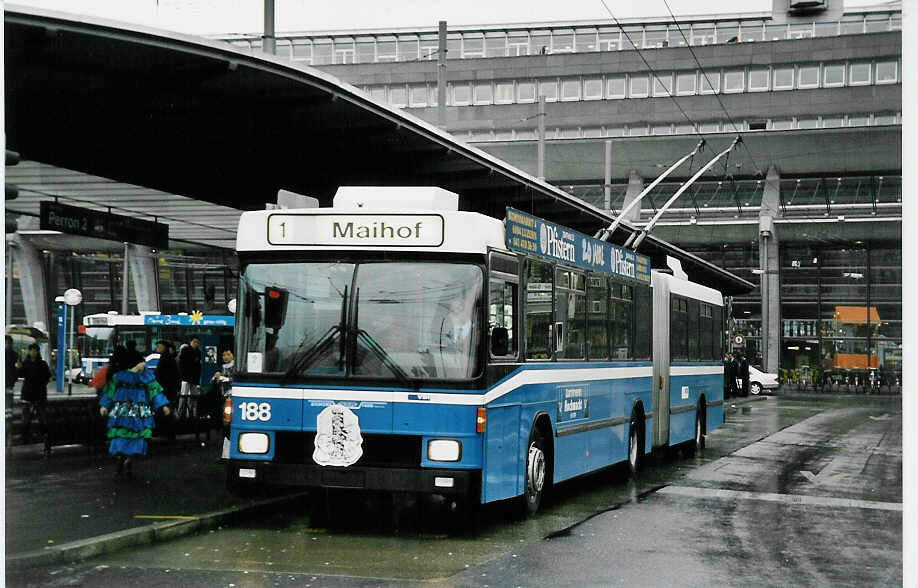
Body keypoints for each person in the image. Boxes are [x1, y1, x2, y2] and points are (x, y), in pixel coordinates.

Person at [98, 345, 171, 476]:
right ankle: (126, 458)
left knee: (124, 433)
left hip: (123, 411)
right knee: (134, 434)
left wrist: (105, 405)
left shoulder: (122, 377)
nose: (144, 364)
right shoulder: (136, 377)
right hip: (137, 411)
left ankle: (124, 457)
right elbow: (155, 392)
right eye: (142, 362)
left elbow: (110, 392)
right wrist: (163, 405)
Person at [17, 343, 51, 446]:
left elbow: (47, 377)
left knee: (42, 418)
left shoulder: (43, 364)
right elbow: (19, 375)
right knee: (26, 418)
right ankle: (25, 437)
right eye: (31, 350)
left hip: (39, 394)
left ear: (38, 352)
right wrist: (18, 368)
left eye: (35, 350)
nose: (33, 352)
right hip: (27, 394)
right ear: (28, 351)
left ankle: (45, 436)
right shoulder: (25, 363)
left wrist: (40, 384)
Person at [211, 349, 234, 460]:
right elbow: (213, 381)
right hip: (224, 398)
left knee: (228, 424)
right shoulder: (222, 367)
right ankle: (225, 453)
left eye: (228, 354)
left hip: (232, 398)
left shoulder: (235, 367)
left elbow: (234, 379)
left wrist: (223, 379)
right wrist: (216, 378)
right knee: (226, 425)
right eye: (223, 354)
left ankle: (227, 454)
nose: (225, 357)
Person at [177, 335, 202, 420]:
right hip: (186, 377)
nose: (196, 344)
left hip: (194, 378)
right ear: (190, 342)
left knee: (192, 397)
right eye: (194, 342)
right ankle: (180, 414)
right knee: (183, 396)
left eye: (197, 342)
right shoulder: (186, 350)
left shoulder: (198, 352)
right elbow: (182, 364)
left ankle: (191, 414)